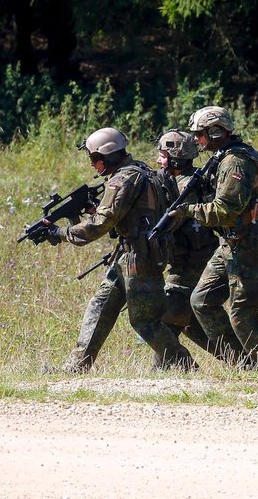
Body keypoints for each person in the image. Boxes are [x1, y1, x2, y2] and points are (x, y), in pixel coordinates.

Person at [46, 127, 196, 373]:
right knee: (100, 307)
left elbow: (99, 226)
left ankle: (184, 366)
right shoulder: (141, 170)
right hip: (129, 256)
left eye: (94, 160)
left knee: (145, 322)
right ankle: (76, 368)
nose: (93, 165)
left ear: (106, 157)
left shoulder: (122, 179)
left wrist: (60, 233)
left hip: (140, 259)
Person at [174, 106, 258, 369]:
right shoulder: (225, 157)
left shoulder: (235, 162)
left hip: (248, 244)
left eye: (200, 134)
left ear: (215, 131)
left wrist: (187, 210)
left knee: (242, 315)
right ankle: (242, 364)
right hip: (230, 243)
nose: (197, 140)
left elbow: (224, 210)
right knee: (201, 301)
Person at [155, 129, 240, 361]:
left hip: (193, 261)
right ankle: (240, 360)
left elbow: (172, 222)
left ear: (175, 157)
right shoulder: (179, 180)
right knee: (189, 320)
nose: (159, 161)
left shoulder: (187, 186)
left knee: (170, 312)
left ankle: (172, 365)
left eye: (162, 155)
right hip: (186, 260)